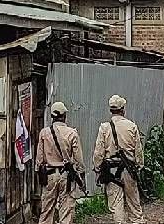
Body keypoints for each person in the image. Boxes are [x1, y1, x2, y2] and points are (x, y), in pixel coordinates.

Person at [93, 95, 145, 224]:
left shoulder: (104, 128)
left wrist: (97, 168)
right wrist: (138, 166)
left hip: (111, 171)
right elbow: (138, 151)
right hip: (129, 169)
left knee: (116, 206)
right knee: (134, 205)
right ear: (123, 109)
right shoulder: (131, 126)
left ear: (111, 110)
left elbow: (98, 152)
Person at [36, 102, 85, 224]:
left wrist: (40, 176)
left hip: (49, 176)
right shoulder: (72, 133)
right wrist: (81, 176)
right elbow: (79, 159)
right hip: (66, 176)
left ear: (52, 116)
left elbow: (39, 159)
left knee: (46, 210)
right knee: (66, 210)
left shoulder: (44, 133)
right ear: (64, 116)